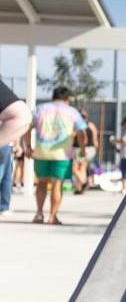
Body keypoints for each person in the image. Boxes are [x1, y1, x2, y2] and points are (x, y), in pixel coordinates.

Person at [30, 86, 86, 225]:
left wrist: (27, 147)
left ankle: (39, 214)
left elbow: (27, 127)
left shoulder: (40, 108)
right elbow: (82, 132)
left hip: (41, 152)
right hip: (62, 154)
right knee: (57, 185)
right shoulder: (72, 111)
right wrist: (83, 148)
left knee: (41, 183)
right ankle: (52, 217)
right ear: (68, 99)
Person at [0, 80, 33, 217]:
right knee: (5, 176)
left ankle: (4, 206)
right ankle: (4, 206)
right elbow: (21, 118)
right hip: (7, 144)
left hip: (8, 144)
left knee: (6, 176)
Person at [71, 108, 98, 194]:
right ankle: (79, 188)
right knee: (82, 168)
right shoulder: (91, 125)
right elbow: (95, 140)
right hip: (89, 149)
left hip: (81, 148)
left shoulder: (77, 126)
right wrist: (95, 150)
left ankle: (83, 183)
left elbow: (72, 137)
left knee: (75, 168)